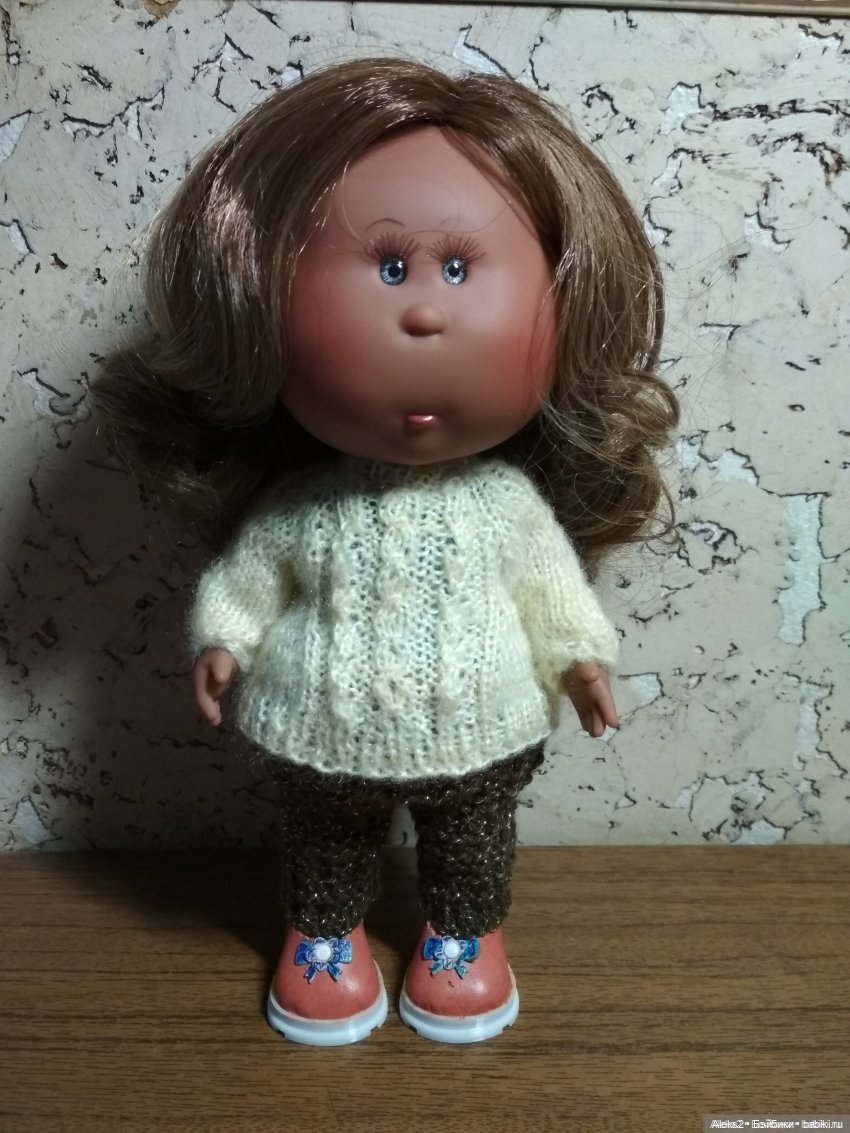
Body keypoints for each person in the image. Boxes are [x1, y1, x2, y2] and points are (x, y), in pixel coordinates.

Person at [94, 57, 679, 1046]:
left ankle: (464, 935)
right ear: (257, 306)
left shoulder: (506, 506)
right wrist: (222, 640)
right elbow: (249, 579)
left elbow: (551, 590)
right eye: (392, 267)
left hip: (480, 725)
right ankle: (324, 937)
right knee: (324, 837)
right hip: (318, 727)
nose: (424, 311)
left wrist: (582, 657)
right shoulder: (300, 506)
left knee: (473, 839)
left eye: (458, 268)